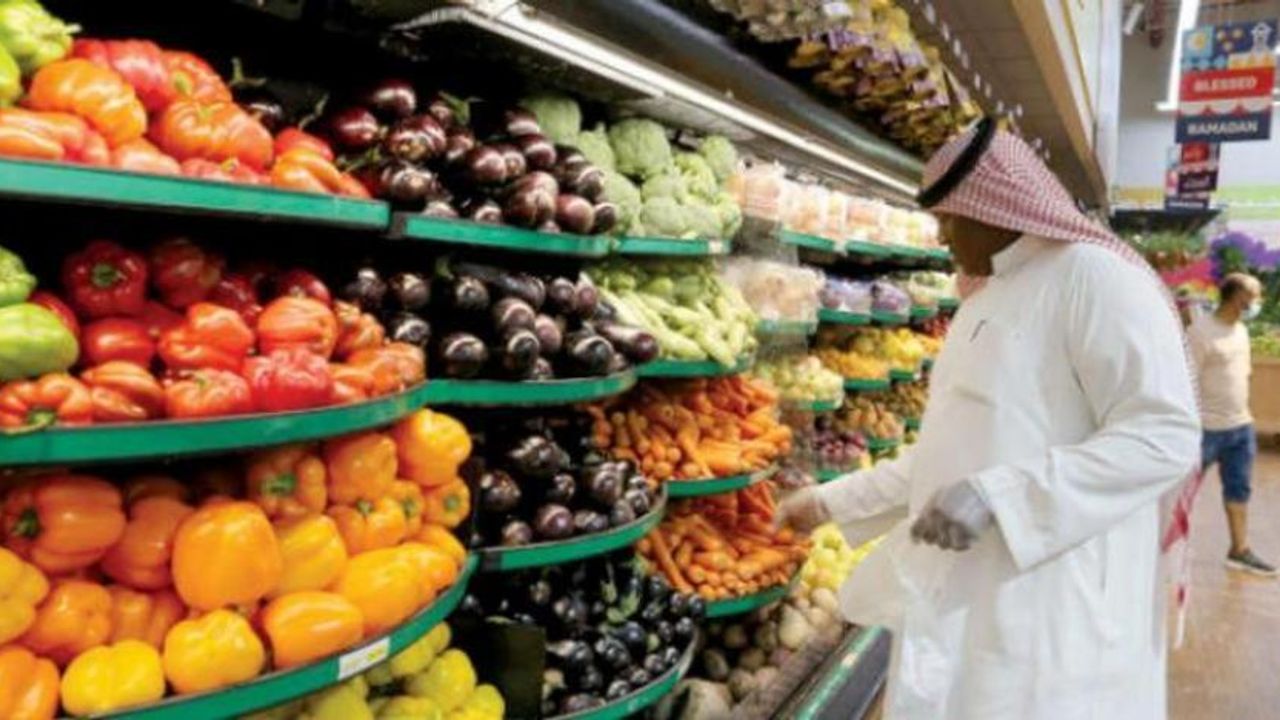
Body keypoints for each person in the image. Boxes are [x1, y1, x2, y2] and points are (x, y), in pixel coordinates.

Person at [778, 118, 1201, 720]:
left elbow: (1164, 437)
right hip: (969, 602)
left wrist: (1002, 497)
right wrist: (827, 503)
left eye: (950, 218)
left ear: (998, 208)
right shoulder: (986, 299)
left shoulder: (1095, 278)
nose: (941, 235)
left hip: (1056, 608)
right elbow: (952, 452)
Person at [1189, 272, 1274, 576]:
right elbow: (1188, 381)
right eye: (1254, 296)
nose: (1258, 302)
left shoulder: (1241, 331)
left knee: (1239, 489)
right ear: (1238, 297)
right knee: (1181, 491)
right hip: (1205, 430)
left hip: (1240, 427)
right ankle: (1164, 549)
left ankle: (1239, 550)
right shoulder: (1200, 332)